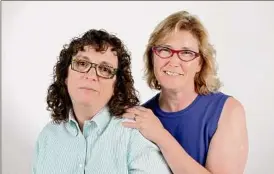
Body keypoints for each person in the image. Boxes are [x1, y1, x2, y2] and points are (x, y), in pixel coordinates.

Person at [122, 11, 249, 174]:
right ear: (152, 57)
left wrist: (161, 136)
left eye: (186, 53)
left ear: (200, 64)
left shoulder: (228, 111)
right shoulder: (142, 118)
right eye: (165, 50)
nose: (173, 61)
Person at [31, 29, 171, 174]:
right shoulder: (47, 137)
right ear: (65, 76)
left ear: (116, 85)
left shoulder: (134, 134)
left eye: (104, 69)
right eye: (82, 63)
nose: (91, 75)